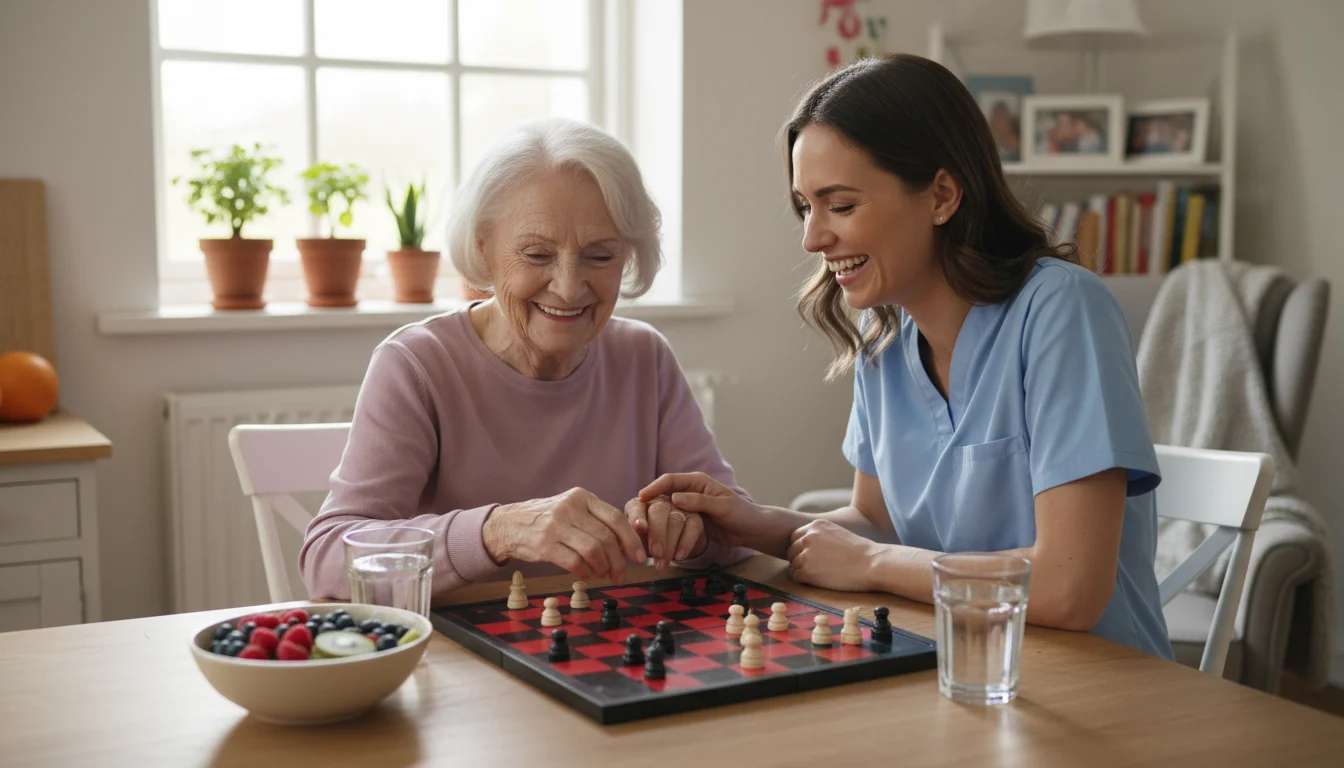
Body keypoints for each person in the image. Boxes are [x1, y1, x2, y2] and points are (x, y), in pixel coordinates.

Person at [635, 54, 1173, 659]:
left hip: (1099, 688)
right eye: (805, 207)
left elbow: (1069, 588)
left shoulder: (1062, 310)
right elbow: (877, 522)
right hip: (952, 662)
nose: (813, 237)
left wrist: (872, 564)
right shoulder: (882, 335)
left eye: (840, 205)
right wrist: (755, 523)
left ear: (941, 194)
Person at [300, 118, 747, 601]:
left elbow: (737, 529)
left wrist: (691, 528)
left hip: (611, 659)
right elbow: (327, 558)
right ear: (483, 247)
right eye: (536, 255)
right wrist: (499, 530)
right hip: (461, 662)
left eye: (600, 257)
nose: (570, 287)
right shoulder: (416, 364)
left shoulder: (644, 356)